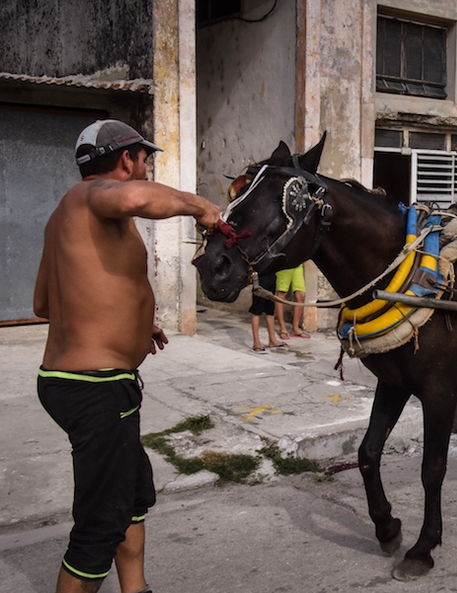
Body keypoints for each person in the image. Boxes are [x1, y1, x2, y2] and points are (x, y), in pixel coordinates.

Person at [33, 119, 220, 593]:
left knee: (131, 498)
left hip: (85, 382)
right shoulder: (96, 195)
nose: (145, 170)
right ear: (125, 159)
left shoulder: (64, 215)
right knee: (100, 524)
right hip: (94, 387)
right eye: (144, 161)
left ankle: (136, 589)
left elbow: (42, 303)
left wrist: (132, 323)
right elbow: (137, 198)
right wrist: (201, 208)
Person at [249, 272, 289, 353]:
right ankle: (256, 343)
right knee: (257, 310)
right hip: (259, 277)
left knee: (270, 310)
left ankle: (272, 340)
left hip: (271, 276)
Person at [275, 264, 310, 339]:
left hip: (298, 262)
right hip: (286, 262)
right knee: (282, 293)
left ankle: (295, 328)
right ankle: (282, 328)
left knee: (301, 295)